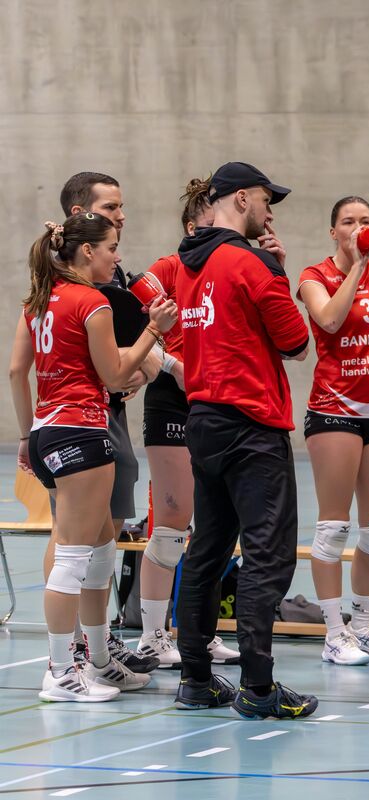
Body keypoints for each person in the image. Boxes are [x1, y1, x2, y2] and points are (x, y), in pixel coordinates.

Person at [9, 213, 177, 701]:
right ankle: (61, 672)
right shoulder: (91, 302)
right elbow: (115, 375)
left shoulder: (38, 300)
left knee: (101, 547)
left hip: (46, 430)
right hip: (80, 431)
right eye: (111, 247)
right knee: (72, 555)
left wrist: (26, 434)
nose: (116, 257)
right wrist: (154, 330)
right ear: (87, 251)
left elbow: (16, 371)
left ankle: (100, 662)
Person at [171, 162, 317, 719]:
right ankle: (258, 688)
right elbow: (296, 342)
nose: (269, 211)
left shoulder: (190, 262)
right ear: (239, 199)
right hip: (252, 425)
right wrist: (276, 272)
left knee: (207, 550)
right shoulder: (250, 263)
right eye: (264, 200)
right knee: (267, 554)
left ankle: (195, 679)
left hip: (205, 419)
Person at [55, 172, 159, 674]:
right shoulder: (67, 288)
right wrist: (142, 350)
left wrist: (140, 368)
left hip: (106, 413)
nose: (122, 215)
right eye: (112, 207)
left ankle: (96, 644)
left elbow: (125, 360)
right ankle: (68, 655)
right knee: (71, 539)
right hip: (76, 421)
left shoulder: (111, 279)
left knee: (105, 530)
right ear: (81, 217)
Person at [133, 177, 239, 668]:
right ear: (194, 226)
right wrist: (175, 366)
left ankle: (201, 631)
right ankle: (153, 636)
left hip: (218, 402)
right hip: (173, 403)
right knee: (173, 521)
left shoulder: (233, 268)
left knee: (216, 526)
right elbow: (134, 336)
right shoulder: (166, 270)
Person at [297, 195, 369, 665]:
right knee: (334, 526)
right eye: (348, 221)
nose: (357, 228)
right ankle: (334, 632)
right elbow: (329, 319)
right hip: (334, 410)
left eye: (365, 220)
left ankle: (363, 625)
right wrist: (357, 267)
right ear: (333, 231)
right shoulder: (314, 276)